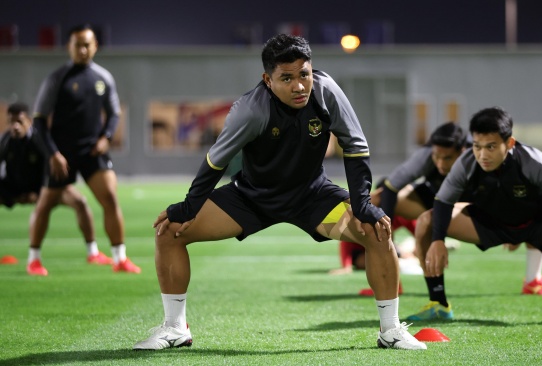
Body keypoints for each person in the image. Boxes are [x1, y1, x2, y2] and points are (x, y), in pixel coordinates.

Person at [133, 34, 426, 351]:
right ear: (267, 80)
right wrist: (188, 208)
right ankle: (175, 329)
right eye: (287, 78)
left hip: (311, 197)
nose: (299, 86)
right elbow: (214, 163)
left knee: (378, 231)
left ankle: (391, 331)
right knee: (170, 232)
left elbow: (355, 147)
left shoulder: (326, 91)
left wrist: (363, 204)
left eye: (304, 74)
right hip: (252, 198)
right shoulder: (250, 110)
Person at [409, 106, 542, 324]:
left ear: (509, 143)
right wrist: (437, 240)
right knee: (427, 221)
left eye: (491, 147)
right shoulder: (466, 163)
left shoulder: (533, 161)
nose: (482, 155)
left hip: (538, 224)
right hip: (488, 224)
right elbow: (443, 202)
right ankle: (438, 304)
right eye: (477, 146)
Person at [332, 122, 542, 298]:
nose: (440, 164)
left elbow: (518, 194)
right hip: (434, 200)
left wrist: (513, 225)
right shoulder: (426, 156)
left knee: (535, 211)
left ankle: (533, 281)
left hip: (475, 208)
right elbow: (391, 188)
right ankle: (391, 282)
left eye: (447, 158)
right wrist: (386, 234)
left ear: (463, 151)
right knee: (378, 199)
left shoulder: (483, 160)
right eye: (436, 156)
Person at [31, 24, 140, 275]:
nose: (82, 49)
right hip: (62, 154)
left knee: (111, 199)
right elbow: (38, 121)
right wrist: (53, 155)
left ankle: (120, 259)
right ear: (69, 47)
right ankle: (34, 259)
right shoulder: (57, 78)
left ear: (95, 46)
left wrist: (107, 138)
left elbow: (114, 113)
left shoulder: (103, 77)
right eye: (77, 44)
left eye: (87, 44)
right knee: (45, 204)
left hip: (93, 152)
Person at [1, 102, 112, 275]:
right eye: (11, 122)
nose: (15, 126)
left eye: (19, 121)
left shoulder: (40, 141)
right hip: (14, 188)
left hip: (43, 188)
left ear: (29, 121)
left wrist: (40, 192)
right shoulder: (5, 141)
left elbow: (53, 165)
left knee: (80, 203)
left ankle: (93, 253)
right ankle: (34, 260)